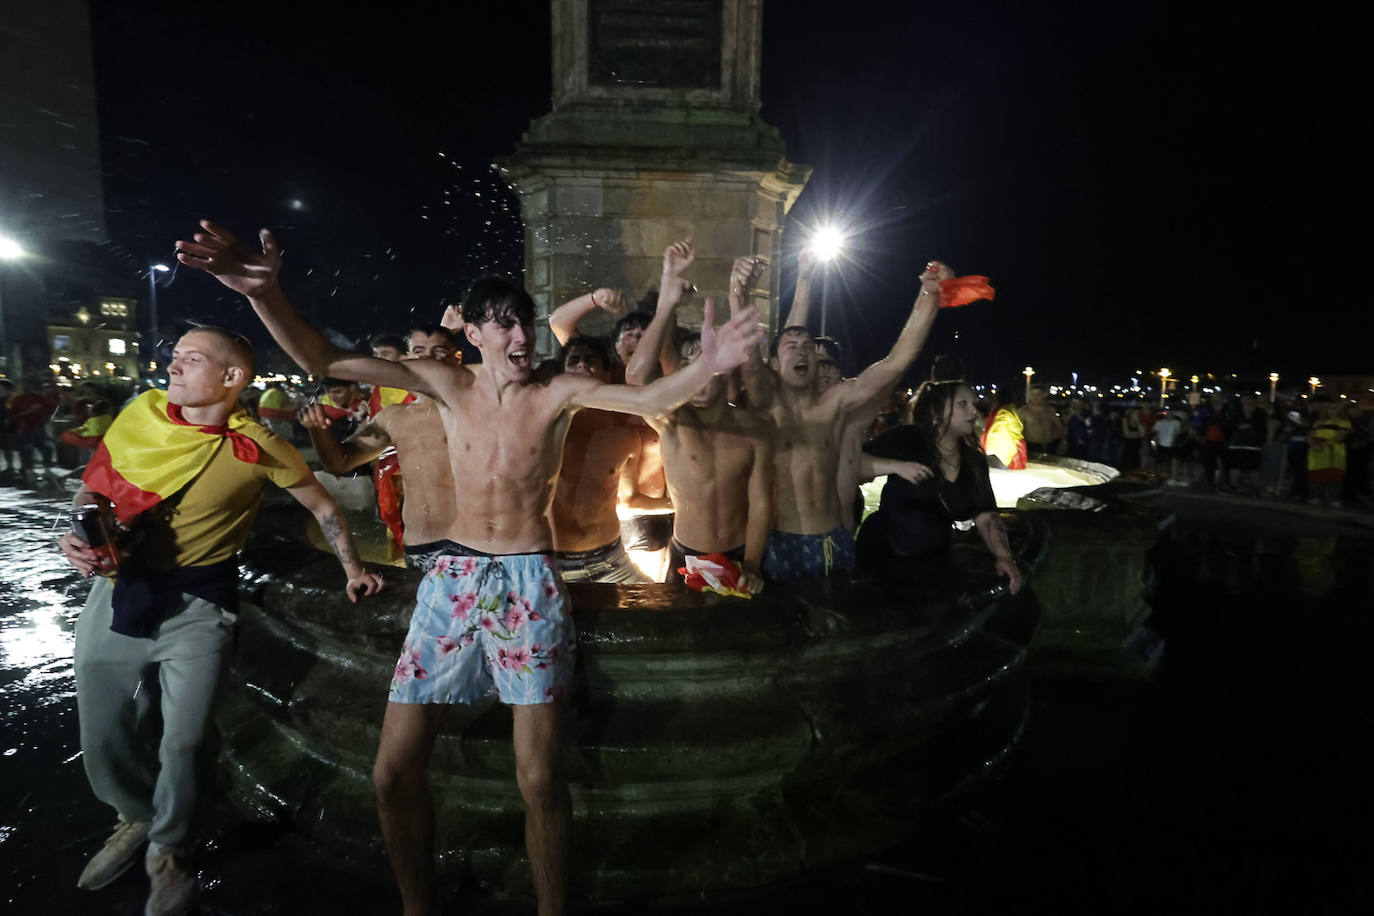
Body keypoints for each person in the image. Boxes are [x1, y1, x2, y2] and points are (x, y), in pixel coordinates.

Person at [175, 219, 764, 916]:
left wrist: (709, 365)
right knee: (393, 771)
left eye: (526, 325)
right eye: (505, 326)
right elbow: (323, 357)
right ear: (476, 334)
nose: (522, 339)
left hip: (528, 580)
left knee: (540, 777)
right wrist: (264, 294)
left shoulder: (555, 394)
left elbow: (646, 399)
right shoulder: (443, 384)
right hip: (450, 580)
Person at [57, 326, 382, 916]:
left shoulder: (257, 446)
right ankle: (135, 815)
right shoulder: (142, 414)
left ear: (233, 378)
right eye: (175, 355)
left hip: (199, 605)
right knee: (102, 732)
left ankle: (169, 852)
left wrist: (354, 569)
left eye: (192, 359)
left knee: (186, 740)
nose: (174, 367)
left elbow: (324, 506)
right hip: (117, 592)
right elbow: (91, 492)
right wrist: (76, 536)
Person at [738, 257, 948, 580]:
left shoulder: (835, 404)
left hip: (830, 540)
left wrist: (930, 297)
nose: (801, 351)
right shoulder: (768, 406)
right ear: (776, 365)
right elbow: (750, 360)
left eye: (808, 346)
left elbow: (895, 363)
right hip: (778, 541)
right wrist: (739, 295)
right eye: (791, 346)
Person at [625, 246, 773, 592]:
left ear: (724, 370)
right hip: (685, 555)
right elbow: (636, 378)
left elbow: (761, 503)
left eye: (709, 365)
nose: (702, 376)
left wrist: (751, 563)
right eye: (693, 366)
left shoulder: (754, 429)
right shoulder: (672, 422)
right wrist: (667, 304)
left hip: (739, 553)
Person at [857, 380, 1022, 594]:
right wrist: (896, 467)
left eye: (973, 403)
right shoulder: (907, 438)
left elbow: (986, 514)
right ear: (936, 411)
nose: (974, 410)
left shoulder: (973, 460)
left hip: (933, 560)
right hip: (882, 556)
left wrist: (1004, 558)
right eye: (963, 403)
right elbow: (852, 464)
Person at [549, 335, 667, 583]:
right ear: (561, 375)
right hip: (548, 563)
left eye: (590, 361)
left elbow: (629, 500)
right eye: (574, 361)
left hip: (610, 561)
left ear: (606, 373)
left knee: (660, 616)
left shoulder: (624, 435)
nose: (582, 366)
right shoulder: (542, 429)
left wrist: (681, 504)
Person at [1306, 396, 1350, 506]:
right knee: (1317, 475)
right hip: (1317, 452)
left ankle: (1334, 499)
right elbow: (1310, 435)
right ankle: (1315, 497)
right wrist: (1313, 445)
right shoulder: (1318, 422)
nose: (1331, 410)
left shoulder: (1343, 422)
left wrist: (1322, 445)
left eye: (1334, 408)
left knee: (1333, 476)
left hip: (1333, 452)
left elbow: (1340, 436)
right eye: (1329, 408)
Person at [1021, 384, 1064, 456]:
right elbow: (1017, 431)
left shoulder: (1050, 411)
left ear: (1044, 395)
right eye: (1032, 394)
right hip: (1030, 447)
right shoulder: (1023, 411)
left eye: (1038, 394)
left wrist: (1063, 441)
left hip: (1049, 447)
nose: (1035, 397)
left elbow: (1060, 427)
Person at [1152, 407, 1187, 485]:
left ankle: (1172, 477)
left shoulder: (1176, 423)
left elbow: (1178, 433)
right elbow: (1155, 433)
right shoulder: (1160, 423)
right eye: (1168, 413)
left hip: (1172, 444)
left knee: (1173, 462)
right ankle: (1159, 477)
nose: (1169, 415)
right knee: (1160, 462)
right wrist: (1155, 442)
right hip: (1161, 443)